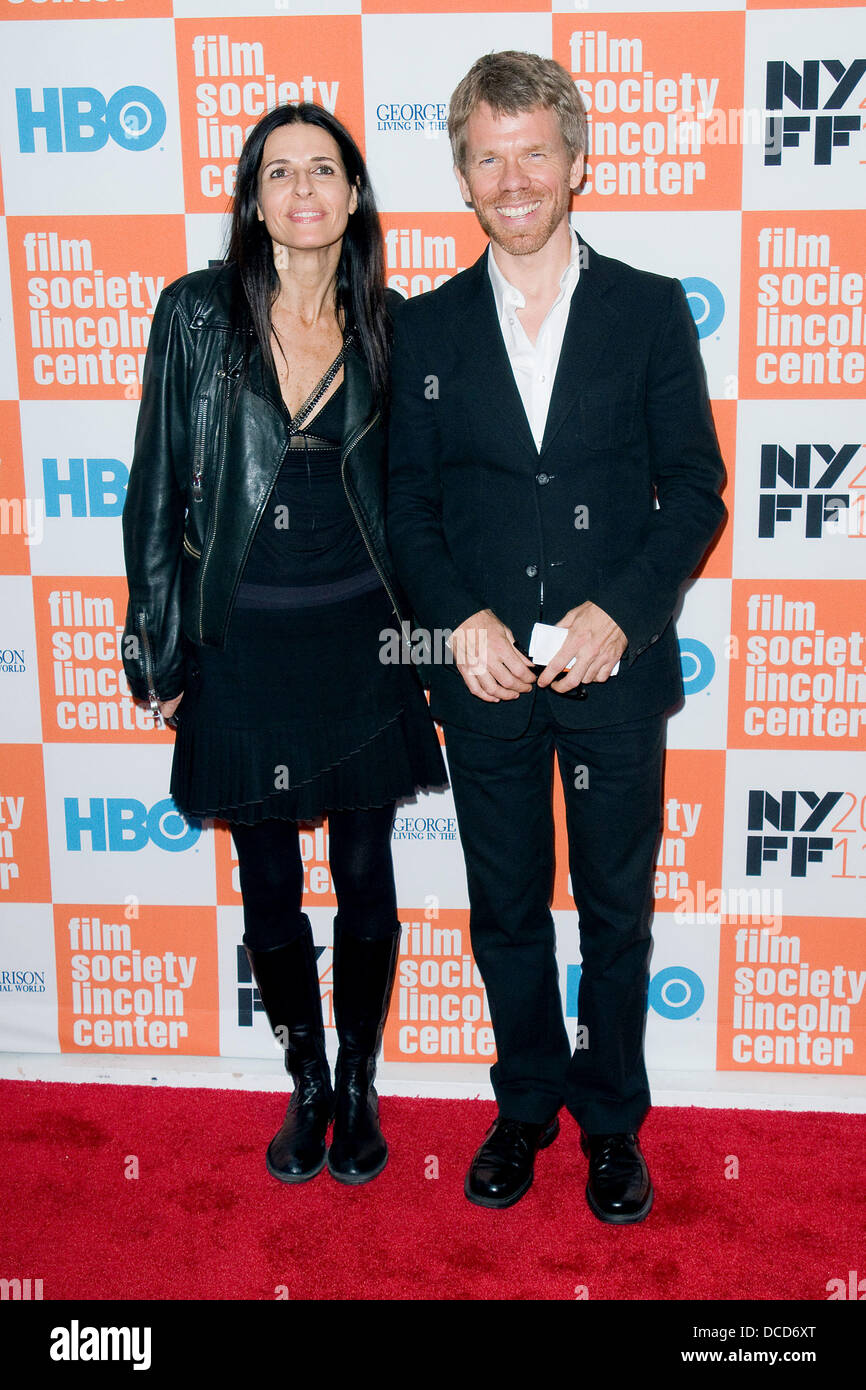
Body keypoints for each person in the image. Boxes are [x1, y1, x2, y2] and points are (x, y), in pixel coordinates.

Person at [387, 51, 726, 1222]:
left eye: (534, 151)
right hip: (479, 677)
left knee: (616, 910)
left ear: (576, 164)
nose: (513, 176)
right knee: (507, 906)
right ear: (464, 179)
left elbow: (694, 488)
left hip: (613, 675)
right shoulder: (423, 330)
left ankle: (612, 1124)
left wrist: (621, 611)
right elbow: (405, 511)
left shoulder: (645, 308)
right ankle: (524, 1102)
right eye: (489, 155)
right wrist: (455, 619)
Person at [121, 103, 446, 1188]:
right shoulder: (196, 317)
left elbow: (419, 503)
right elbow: (153, 492)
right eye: (278, 173)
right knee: (267, 875)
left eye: (323, 171)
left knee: (363, 869)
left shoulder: (393, 326)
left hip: (363, 642)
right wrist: (157, 652)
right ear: (253, 200)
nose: (301, 190)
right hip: (242, 643)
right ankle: (303, 1081)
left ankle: (358, 1082)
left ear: (353, 197)